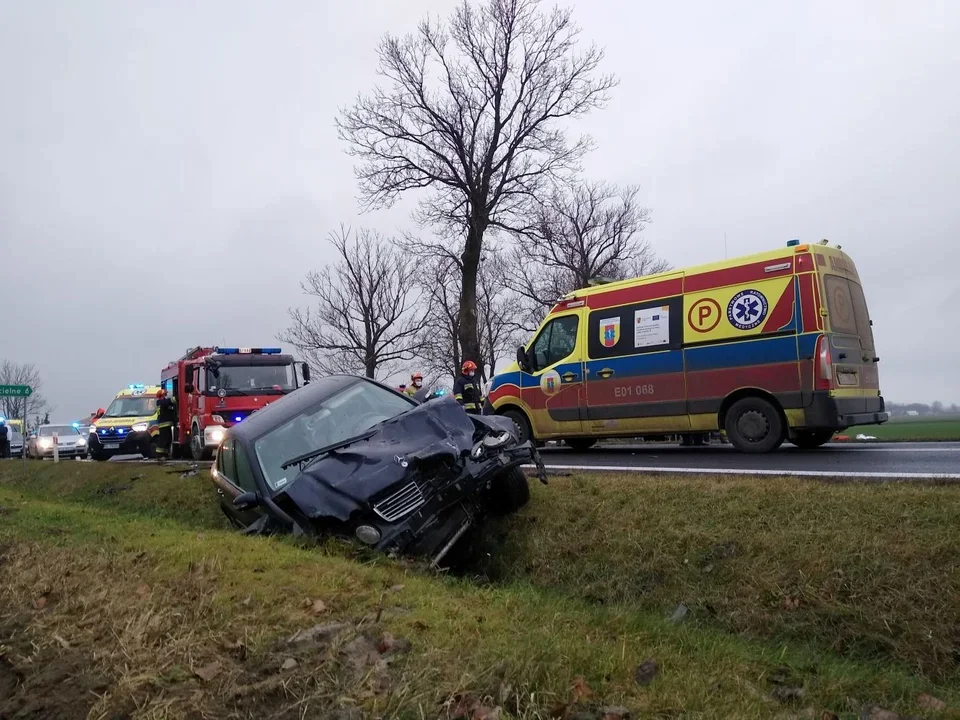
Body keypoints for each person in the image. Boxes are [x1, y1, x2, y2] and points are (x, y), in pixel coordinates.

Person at [153, 389, 177, 458]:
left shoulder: (160, 402)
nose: (166, 395)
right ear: (162, 395)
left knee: (168, 439)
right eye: (165, 394)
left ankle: (165, 455)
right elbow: (171, 401)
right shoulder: (161, 402)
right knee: (164, 440)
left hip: (165, 424)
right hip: (164, 425)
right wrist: (178, 396)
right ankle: (160, 455)